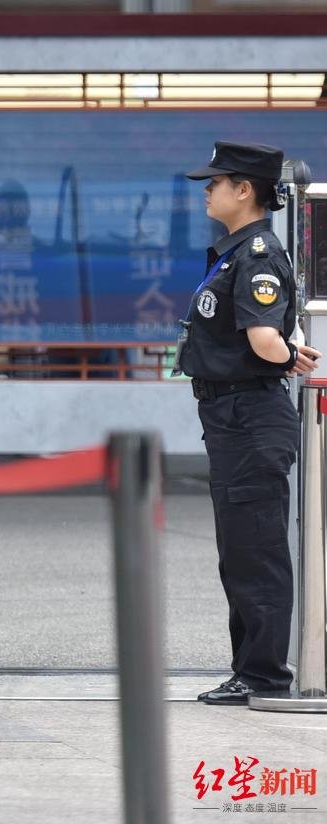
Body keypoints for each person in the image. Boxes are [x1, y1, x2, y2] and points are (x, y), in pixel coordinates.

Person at [177, 141, 321, 704]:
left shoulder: (256, 254)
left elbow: (263, 340)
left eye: (216, 182)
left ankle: (263, 676)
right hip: (232, 415)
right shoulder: (235, 250)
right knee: (239, 550)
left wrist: (285, 354)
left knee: (255, 551)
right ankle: (250, 670)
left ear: (245, 190)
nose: (207, 190)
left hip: (249, 415)